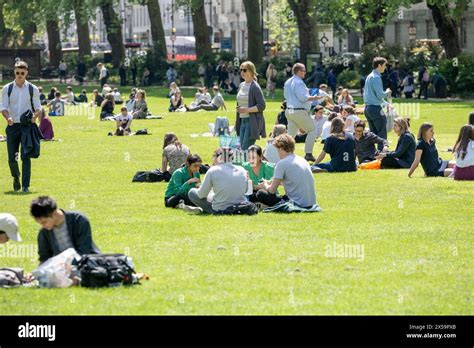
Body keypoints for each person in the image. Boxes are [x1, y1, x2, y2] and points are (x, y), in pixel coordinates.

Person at [1, 61, 42, 193]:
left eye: (22, 73)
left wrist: (34, 117)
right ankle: (16, 177)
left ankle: (25, 186)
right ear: (14, 72)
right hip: (12, 126)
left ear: (26, 73)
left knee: (25, 156)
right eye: (17, 72)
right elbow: (3, 107)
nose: (19, 75)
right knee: (12, 158)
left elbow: (38, 108)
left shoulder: (32, 89)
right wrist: (8, 118)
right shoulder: (7, 88)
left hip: (26, 127)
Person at [30, 196, 101, 264]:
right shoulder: (44, 232)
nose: (43, 226)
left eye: (44, 222)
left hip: (87, 264)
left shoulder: (78, 220)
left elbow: (84, 251)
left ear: (54, 214)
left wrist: (65, 265)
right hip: (62, 270)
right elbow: (44, 258)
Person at [255, 134, 317, 208]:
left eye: (277, 149)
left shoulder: (282, 163)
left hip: (296, 202)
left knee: (261, 194)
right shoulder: (302, 160)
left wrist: (265, 185)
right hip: (310, 202)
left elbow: (271, 190)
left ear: (281, 148)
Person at [186, 147, 248, 214]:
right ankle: (200, 209)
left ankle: (202, 210)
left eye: (214, 156)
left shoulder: (213, 170)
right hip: (240, 207)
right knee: (212, 195)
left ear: (219, 157)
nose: (213, 159)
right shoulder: (242, 170)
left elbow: (201, 195)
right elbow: (246, 190)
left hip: (220, 209)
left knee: (192, 192)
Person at [283, 63, 321, 161]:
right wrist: (315, 97)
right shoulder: (299, 82)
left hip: (289, 111)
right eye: (303, 71)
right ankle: (308, 153)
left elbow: (286, 96)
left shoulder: (288, 81)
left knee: (290, 136)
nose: (305, 72)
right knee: (312, 130)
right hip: (299, 111)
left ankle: (285, 154)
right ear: (299, 72)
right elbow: (303, 98)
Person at [235, 61, 267, 151]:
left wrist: (246, 110)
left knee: (245, 149)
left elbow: (262, 105)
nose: (242, 72)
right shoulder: (241, 85)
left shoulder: (255, 87)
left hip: (252, 122)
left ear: (251, 72)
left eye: (244, 70)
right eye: (241, 70)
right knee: (242, 149)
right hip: (242, 121)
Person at [363, 57, 392, 147]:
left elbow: (374, 96)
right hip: (375, 109)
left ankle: (372, 155)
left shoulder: (369, 76)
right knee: (381, 135)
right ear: (379, 65)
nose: (385, 67)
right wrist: (387, 92)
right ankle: (382, 156)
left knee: (373, 136)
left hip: (368, 108)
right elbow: (380, 95)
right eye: (384, 65)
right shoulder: (376, 77)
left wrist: (386, 104)